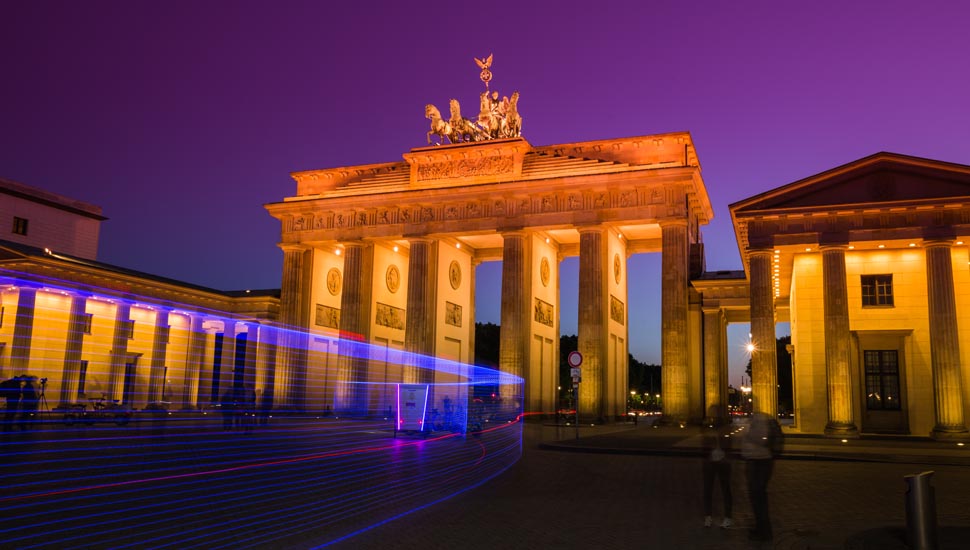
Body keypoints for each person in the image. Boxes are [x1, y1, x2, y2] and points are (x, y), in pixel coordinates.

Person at [742, 411, 783, 541]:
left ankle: (763, 531)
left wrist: (748, 434)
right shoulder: (760, 419)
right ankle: (762, 529)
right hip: (761, 461)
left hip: (758, 462)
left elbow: (760, 438)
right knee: (759, 497)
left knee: (758, 498)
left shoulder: (759, 420)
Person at [702, 406, 733, 529]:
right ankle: (708, 516)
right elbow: (704, 443)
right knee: (708, 491)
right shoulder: (707, 427)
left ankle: (728, 517)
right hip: (710, 463)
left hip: (723, 462)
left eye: (715, 413)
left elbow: (728, 443)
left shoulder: (726, 428)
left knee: (725, 491)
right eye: (712, 413)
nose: (713, 416)